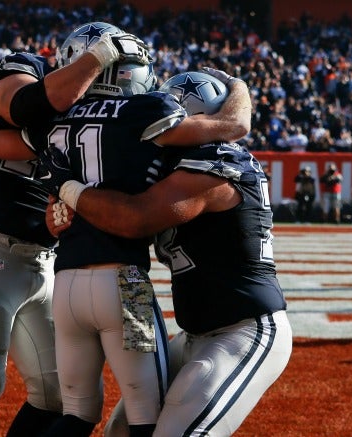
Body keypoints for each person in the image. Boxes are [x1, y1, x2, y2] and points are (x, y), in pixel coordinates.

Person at [0, 52, 251, 436]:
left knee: (77, 413)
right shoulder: (146, 109)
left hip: (65, 286)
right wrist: (239, 86)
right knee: (148, 410)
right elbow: (232, 125)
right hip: (125, 283)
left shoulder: (58, 118)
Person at [40, 71, 292, 436]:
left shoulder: (216, 164)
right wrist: (63, 210)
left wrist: (66, 187)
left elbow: (134, 218)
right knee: (122, 430)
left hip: (244, 329)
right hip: (189, 331)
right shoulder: (168, 168)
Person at [0, 23, 152, 437]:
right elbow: (2, 126)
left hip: (109, 281)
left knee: (86, 402)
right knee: (77, 400)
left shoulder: (126, 127)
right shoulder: (47, 88)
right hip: (94, 280)